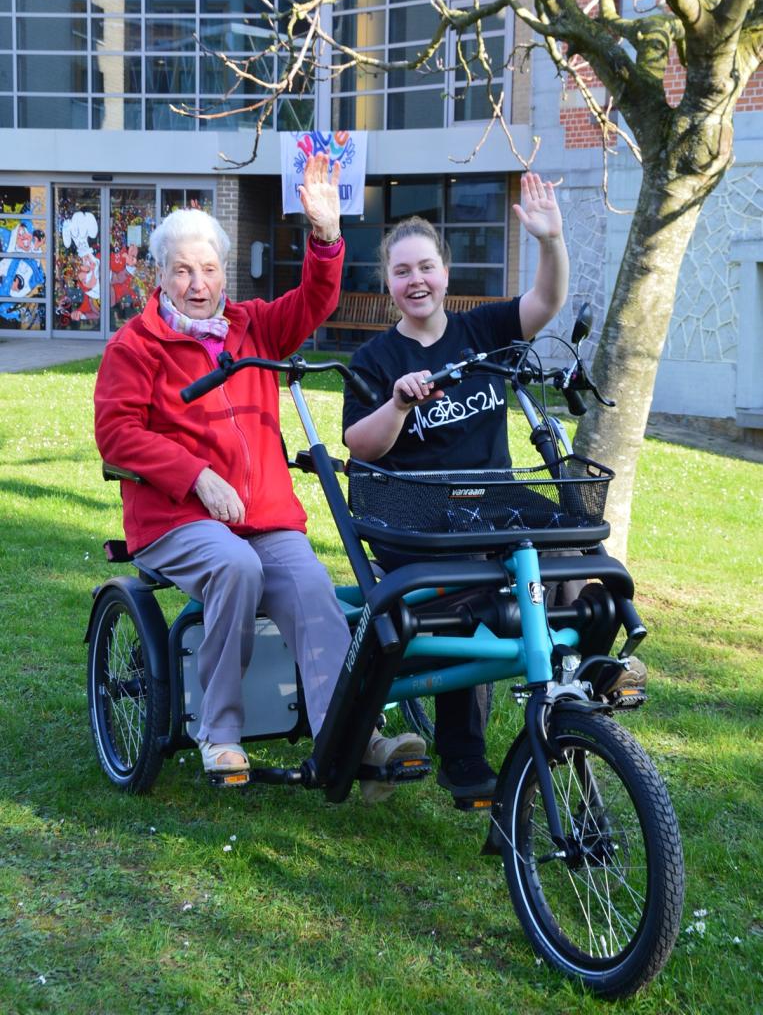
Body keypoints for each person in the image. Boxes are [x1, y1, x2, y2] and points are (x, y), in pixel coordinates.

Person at [94, 152, 423, 799]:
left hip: (263, 516)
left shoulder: (253, 327)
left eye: (209, 269)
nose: (197, 282)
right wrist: (194, 476)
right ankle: (219, 734)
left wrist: (326, 235)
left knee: (311, 589)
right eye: (182, 270)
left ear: (225, 275)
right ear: (159, 274)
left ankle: (349, 740)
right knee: (234, 569)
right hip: (175, 518)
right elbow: (118, 434)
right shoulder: (133, 347)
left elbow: (315, 299)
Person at [342, 173, 571, 801]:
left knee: (574, 542)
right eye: (401, 271)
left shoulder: (482, 330)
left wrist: (551, 241)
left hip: (491, 500)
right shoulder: (375, 361)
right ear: (387, 282)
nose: (415, 280)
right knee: (473, 591)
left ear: (445, 273)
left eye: (426, 267)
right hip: (414, 512)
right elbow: (358, 446)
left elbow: (546, 303)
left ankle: (573, 679)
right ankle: (463, 757)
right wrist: (395, 405)